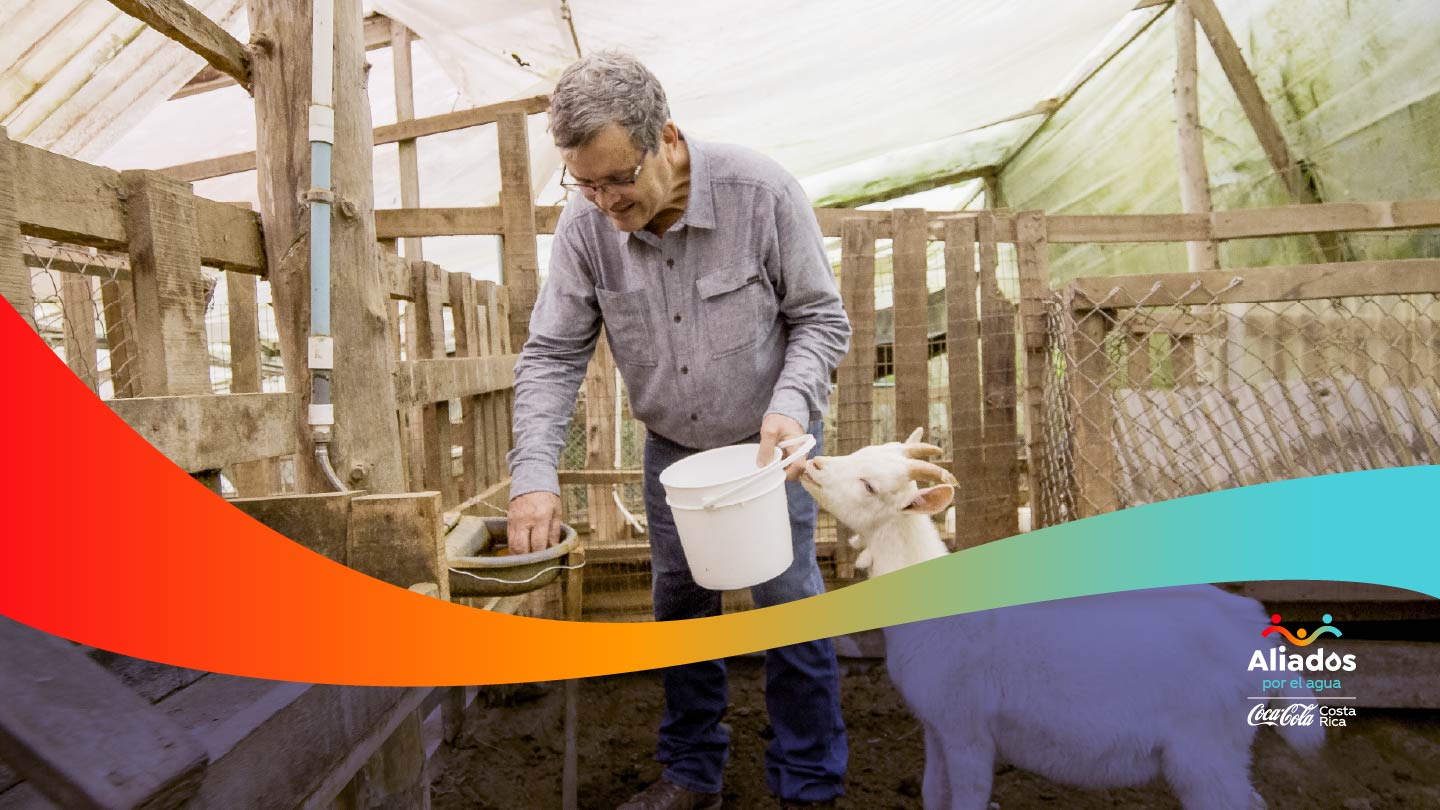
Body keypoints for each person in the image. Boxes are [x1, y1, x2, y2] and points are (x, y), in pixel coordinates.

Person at [505, 50, 850, 809]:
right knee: (680, 614)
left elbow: (820, 318)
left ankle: (811, 784)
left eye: (617, 178)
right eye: (584, 182)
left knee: (793, 610)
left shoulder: (760, 193)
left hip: (765, 452)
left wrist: (792, 406)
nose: (602, 200)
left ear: (664, 138)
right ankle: (693, 771)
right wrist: (533, 475)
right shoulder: (585, 230)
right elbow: (553, 354)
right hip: (674, 458)